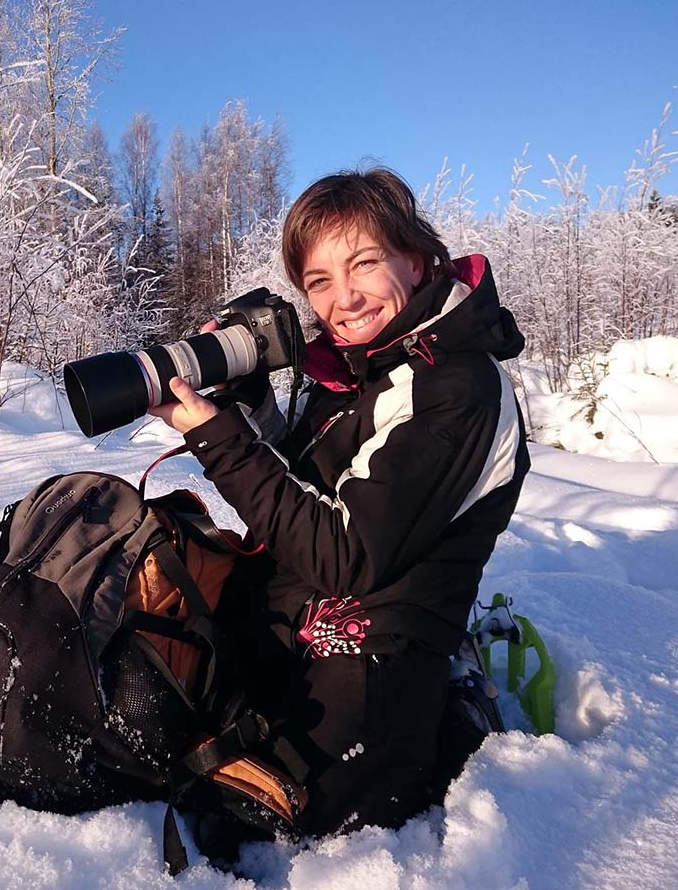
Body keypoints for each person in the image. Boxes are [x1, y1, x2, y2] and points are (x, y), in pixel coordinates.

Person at [148, 167, 531, 837]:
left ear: (414, 260)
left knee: (274, 819)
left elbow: (343, 552)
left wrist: (217, 440)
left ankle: (454, 715)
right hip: (294, 614)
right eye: (320, 282)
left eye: (362, 265)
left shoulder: (457, 386)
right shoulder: (371, 360)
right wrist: (244, 407)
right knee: (156, 719)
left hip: (382, 649)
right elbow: (308, 482)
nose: (343, 299)